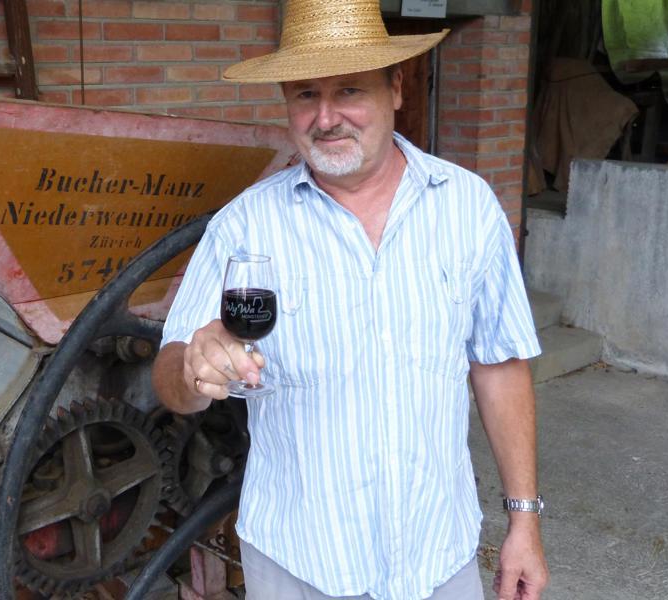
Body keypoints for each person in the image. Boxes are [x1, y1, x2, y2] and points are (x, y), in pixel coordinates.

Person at [150, 1, 549, 599]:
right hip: (298, 563)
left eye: (350, 91)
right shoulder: (246, 226)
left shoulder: (468, 208)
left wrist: (524, 520)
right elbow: (169, 377)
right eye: (305, 94)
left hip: (437, 557)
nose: (326, 117)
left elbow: (499, 364)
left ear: (396, 89)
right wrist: (192, 368)